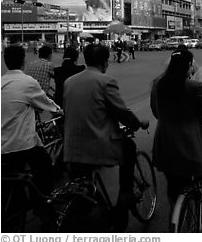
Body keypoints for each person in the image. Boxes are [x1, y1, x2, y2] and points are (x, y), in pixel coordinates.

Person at [150, 48, 202, 211]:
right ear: (188, 66)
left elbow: (156, 109)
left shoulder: (159, 84)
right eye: (190, 66)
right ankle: (194, 213)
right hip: (187, 142)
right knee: (191, 180)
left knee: (173, 185)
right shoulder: (193, 86)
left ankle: (175, 216)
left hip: (163, 141)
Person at [63, 44, 149, 207]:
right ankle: (126, 193)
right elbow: (121, 112)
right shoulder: (106, 81)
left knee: (82, 191)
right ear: (105, 62)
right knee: (129, 147)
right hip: (97, 145)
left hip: (72, 146)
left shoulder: (69, 82)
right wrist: (138, 124)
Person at [1, 44, 61, 196]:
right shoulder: (28, 82)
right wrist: (60, 110)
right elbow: (47, 103)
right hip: (21, 145)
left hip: (1, 146)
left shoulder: (0, 82)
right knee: (45, 167)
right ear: (23, 61)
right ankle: (42, 205)